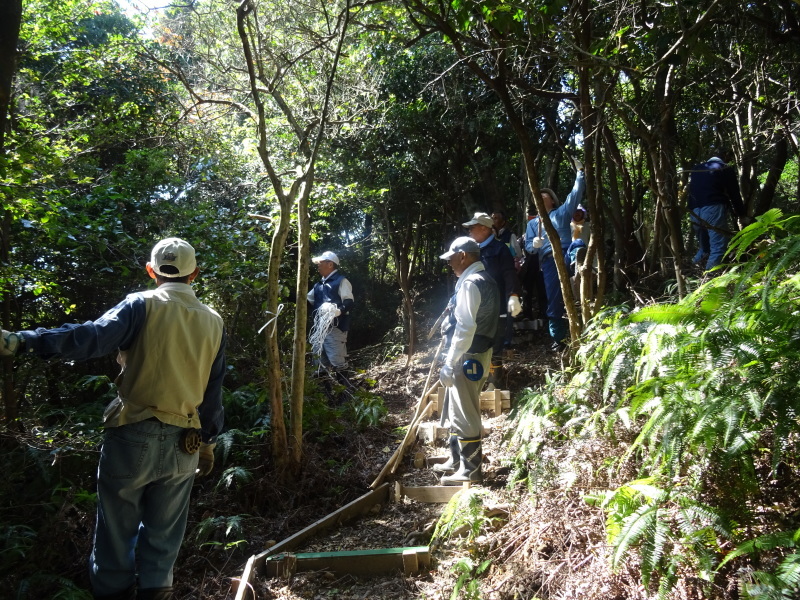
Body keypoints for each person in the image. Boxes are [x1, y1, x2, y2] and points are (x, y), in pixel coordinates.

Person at [0, 238, 226, 600]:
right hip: (186, 443)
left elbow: (89, 338)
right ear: (194, 273)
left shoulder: (141, 305)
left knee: (115, 540)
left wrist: (24, 341)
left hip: (133, 432)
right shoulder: (214, 321)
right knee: (163, 542)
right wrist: (209, 443)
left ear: (151, 271)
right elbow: (213, 393)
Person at [435, 236, 499, 485]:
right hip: (473, 353)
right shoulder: (485, 279)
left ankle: (471, 470)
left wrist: (451, 361)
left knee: (465, 410)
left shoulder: (472, 283)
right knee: (455, 407)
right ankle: (457, 459)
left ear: (464, 256)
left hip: (467, 355)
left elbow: (465, 327)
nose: (449, 263)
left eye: (451, 258)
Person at [524, 169, 586, 351]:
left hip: (566, 252)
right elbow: (528, 247)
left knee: (579, 243)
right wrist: (534, 245)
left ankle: (576, 264)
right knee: (554, 298)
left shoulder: (561, 213)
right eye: (538, 197)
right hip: (549, 262)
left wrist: (580, 173)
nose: (541, 198)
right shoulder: (532, 224)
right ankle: (558, 338)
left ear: (552, 200)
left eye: (545, 196)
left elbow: (575, 195)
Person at [463, 212, 522, 383]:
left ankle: (494, 383)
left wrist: (513, 295)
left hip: (496, 307)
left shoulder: (500, 249)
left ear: (484, 228)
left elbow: (509, 274)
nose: (469, 232)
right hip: (477, 306)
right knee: (477, 343)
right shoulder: (473, 250)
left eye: (472, 228)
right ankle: (478, 380)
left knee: (495, 344)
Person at [687, 149, 748, 271]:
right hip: (712, 209)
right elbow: (734, 194)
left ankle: (691, 274)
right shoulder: (725, 168)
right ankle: (709, 280)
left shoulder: (696, 169)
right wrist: (742, 214)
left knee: (704, 248)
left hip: (694, 211)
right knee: (717, 247)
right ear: (725, 156)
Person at [307, 250, 353, 372]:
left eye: (320, 262)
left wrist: (338, 311)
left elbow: (349, 302)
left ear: (330, 264)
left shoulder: (341, 281)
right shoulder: (318, 285)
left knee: (337, 361)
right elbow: (306, 301)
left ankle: (345, 390)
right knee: (319, 363)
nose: (318, 265)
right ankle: (326, 391)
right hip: (319, 329)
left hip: (335, 328)